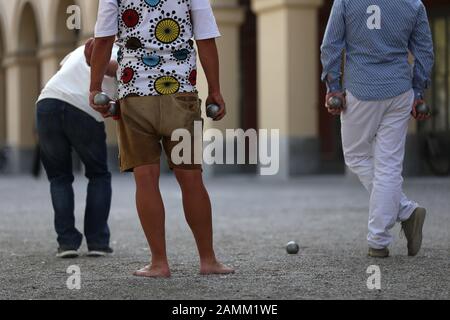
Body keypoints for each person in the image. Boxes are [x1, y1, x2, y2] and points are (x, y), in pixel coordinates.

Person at [90, 0, 234, 277]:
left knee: (145, 178)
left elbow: (104, 38)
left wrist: (95, 86)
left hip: (135, 95)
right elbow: (205, 38)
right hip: (181, 93)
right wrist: (215, 90)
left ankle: (159, 263)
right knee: (191, 178)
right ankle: (208, 260)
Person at [321, 0, 434, 258]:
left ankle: (396, 221)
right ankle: (386, 232)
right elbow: (424, 52)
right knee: (390, 165)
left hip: (361, 89)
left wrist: (333, 87)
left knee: (356, 156)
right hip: (399, 90)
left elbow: (331, 46)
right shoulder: (413, 4)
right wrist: (418, 91)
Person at [36, 39, 119, 258]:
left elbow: (68, 69)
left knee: (59, 178)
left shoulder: (83, 48)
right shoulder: (128, 57)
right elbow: (112, 68)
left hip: (47, 102)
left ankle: (67, 244)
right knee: (99, 174)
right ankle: (97, 242)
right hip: (84, 108)